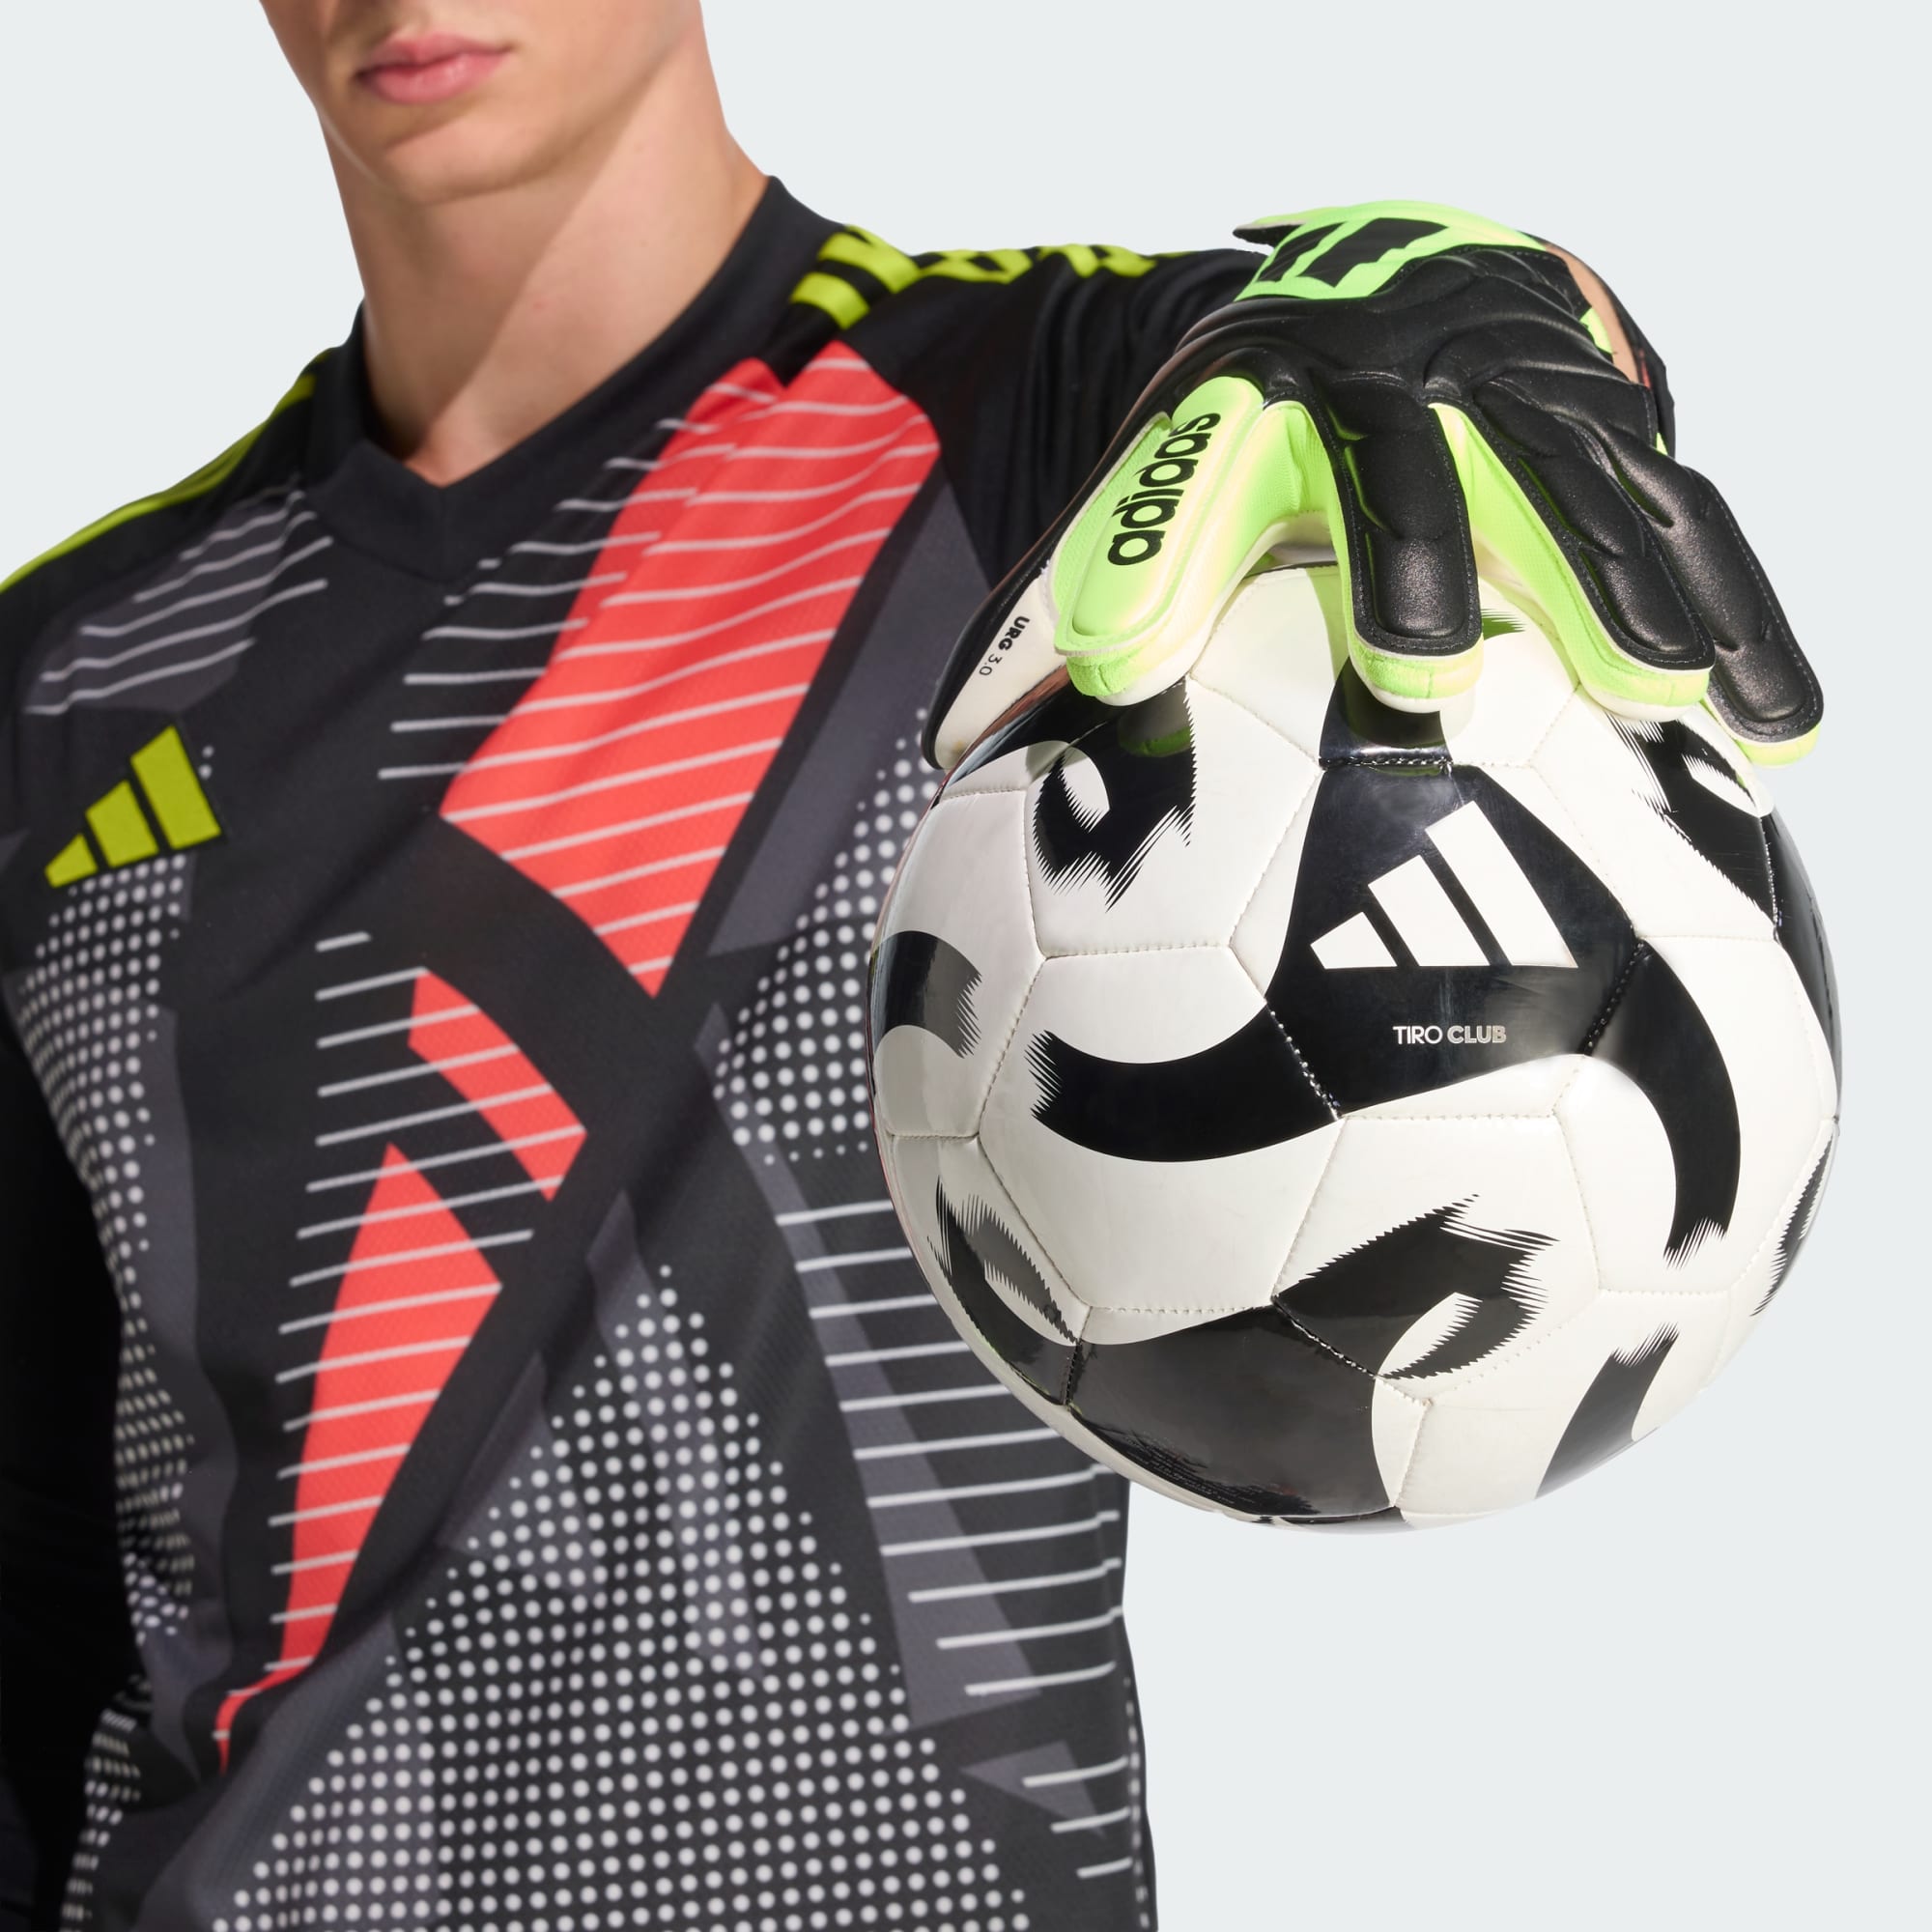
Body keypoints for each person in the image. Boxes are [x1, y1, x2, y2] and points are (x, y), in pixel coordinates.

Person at [0, 5, 1818, 1928]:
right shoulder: (72, 674)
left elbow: (1403, 310)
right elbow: (37, 1579)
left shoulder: (1057, 423)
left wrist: (1474, 322)